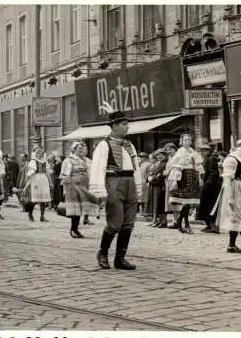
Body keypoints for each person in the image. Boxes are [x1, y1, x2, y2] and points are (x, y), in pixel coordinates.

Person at [89, 106, 142, 270]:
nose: (127, 127)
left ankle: (120, 258)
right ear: (114, 126)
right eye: (124, 124)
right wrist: (99, 192)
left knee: (128, 223)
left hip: (129, 182)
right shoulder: (103, 146)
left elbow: (136, 167)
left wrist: (138, 188)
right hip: (113, 182)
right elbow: (98, 168)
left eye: (127, 124)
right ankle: (103, 252)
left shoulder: (129, 145)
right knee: (115, 223)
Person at [166, 134, 204, 234]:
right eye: (185, 140)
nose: (187, 142)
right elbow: (172, 165)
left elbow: (198, 166)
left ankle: (182, 221)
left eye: (189, 140)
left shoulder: (192, 151)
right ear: (181, 141)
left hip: (192, 177)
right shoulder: (180, 151)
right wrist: (175, 178)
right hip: (183, 178)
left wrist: (199, 177)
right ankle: (184, 223)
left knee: (189, 202)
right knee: (185, 202)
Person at [60, 142, 99, 238]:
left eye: (83, 149)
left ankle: (76, 229)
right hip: (73, 185)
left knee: (81, 207)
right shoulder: (69, 160)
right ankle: (73, 230)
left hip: (84, 185)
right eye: (80, 149)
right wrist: (66, 189)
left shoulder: (86, 160)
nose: (82, 151)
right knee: (75, 208)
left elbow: (93, 170)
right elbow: (65, 175)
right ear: (74, 149)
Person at [197, 145, 221, 233]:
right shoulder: (205, 159)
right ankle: (208, 225)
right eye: (201, 151)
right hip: (206, 184)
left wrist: (207, 184)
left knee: (210, 206)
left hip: (211, 186)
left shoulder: (212, 159)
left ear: (208, 151)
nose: (202, 153)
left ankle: (213, 226)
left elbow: (213, 173)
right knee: (205, 206)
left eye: (203, 151)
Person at [25, 147, 52, 222]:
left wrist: (50, 183)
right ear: (36, 154)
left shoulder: (45, 162)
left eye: (42, 153)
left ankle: (42, 216)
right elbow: (31, 172)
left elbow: (48, 173)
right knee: (35, 199)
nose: (40, 155)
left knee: (44, 200)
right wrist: (28, 179)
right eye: (39, 153)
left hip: (44, 180)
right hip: (36, 179)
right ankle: (30, 214)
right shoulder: (33, 162)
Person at [148, 149, 168, 228]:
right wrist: (149, 178)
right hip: (155, 185)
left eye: (161, 155)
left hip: (161, 185)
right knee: (155, 203)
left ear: (164, 156)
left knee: (160, 203)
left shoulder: (165, 164)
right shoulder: (156, 164)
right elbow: (153, 173)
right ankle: (157, 220)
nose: (159, 157)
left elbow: (162, 175)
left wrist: (153, 180)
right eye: (157, 155)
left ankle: (163, 221)